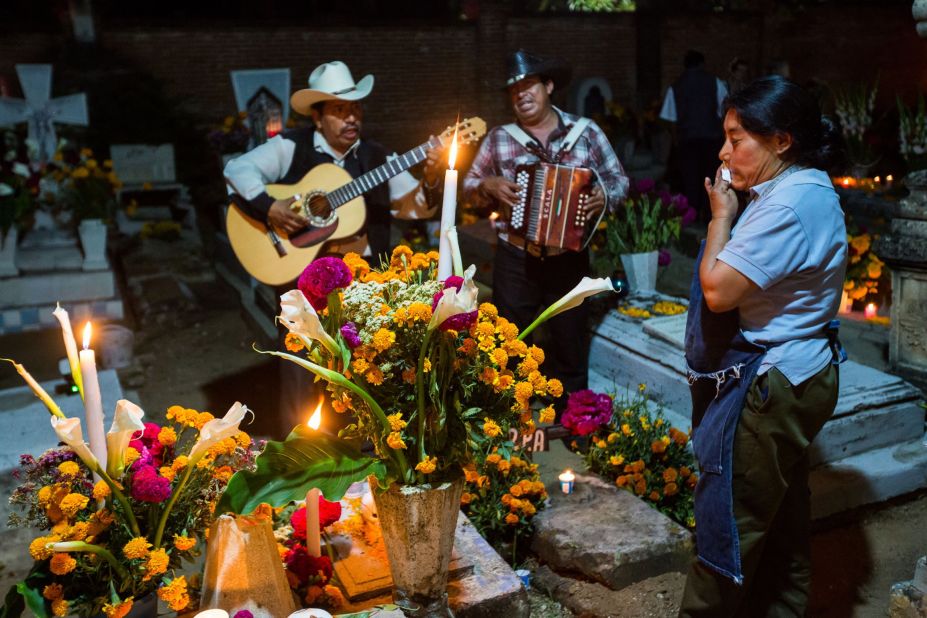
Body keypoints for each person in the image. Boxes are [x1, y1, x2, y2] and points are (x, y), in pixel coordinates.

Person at [679, 75, 847, 616]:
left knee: (730, 527)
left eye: (736, 139)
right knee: (782, 524)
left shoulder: (788, 205)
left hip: (773, 385)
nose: (724, 153)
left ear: (781, 140)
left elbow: (718, 289)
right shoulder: (800, 189)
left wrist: (721, 218)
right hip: (802, 372)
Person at [224, 60, 443, 435]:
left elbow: (415, 205)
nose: (351, 118)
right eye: (340, 110)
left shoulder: (377, 158)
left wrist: (434, 177)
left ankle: (361, 445)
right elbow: (237, 170)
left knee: (364, 362)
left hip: (363, 280)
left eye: (355, 109)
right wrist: (271, 208)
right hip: (301, 274)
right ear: (318, 117)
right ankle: (302, 449)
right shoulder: (290, 147)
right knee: (299, 362)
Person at [462, 49, 628, 414]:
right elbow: (468, 186)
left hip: (569, 258)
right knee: (509, 344)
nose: (521, 94)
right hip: (516, 259)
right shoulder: (498, 138)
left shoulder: (586, 133)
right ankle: (508, 421)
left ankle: (575, 421)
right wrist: (488, 184)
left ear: (549, 86)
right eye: (514, 89)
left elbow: (619, 180)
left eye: (529, 85)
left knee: (570, 344)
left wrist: (604, 196)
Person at [660, 50, 728, 222]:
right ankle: (709, 213)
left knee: (690, 177)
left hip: (687, 139)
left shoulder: (675, 87)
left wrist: (676, 141)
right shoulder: (714, 82)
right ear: (702, 64)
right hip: (712, 138)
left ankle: (692, 215)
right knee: (710, 177)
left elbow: (670, 118)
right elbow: (724, 109)